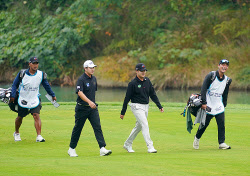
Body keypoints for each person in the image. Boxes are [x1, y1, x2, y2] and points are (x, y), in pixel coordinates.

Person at [68, 60, 112, 157]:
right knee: (78, 128)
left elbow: (92, 92)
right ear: (85, 68)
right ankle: (71, 149)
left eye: (93, 67)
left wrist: (92, 103)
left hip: (92, 109)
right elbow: (80, 93)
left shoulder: (94, 79)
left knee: (97, 127)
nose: (93, 69)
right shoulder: (81, 79)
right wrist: (89, 102)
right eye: (90, 67)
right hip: (82, 108)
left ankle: (102, 148)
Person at [10, 57, 57, 142]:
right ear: (29, 64)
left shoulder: (41, 74)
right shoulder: (22, 73)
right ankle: (16, 133)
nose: (35, 65)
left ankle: (39, 136)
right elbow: (14, 85)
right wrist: (12, 96)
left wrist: (52, 95)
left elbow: (47, 86)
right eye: (34, 63)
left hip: (34, 98)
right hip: (23, 98)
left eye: (37, 63)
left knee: (36, 115)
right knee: (20, 117)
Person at [120, 63, 164, 153]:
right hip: (136, 106)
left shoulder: (147, 81)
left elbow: (152, 94)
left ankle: (127, 144)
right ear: (137, 71)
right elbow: (127, 98)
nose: (144, 72)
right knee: (145, 124)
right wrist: (123, 112)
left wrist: (159, 106)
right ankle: (150, 147)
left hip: (145, 106)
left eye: (144, 71)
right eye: (141, 71)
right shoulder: (132, 83)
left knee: (139, 127)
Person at [193, 59, 232, 150]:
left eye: (226, 65)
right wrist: (204, 102)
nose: (224, 67)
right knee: (204, 124)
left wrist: (224, 104)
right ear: (218, 66)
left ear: (227, 67)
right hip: (208, 104)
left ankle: (221, 143)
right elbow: (203, 89)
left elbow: (225, 93)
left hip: (219, 105)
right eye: (222, 64)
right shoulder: (211, 75)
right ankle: (197, 138)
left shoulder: (227, 80)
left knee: (221, 124)